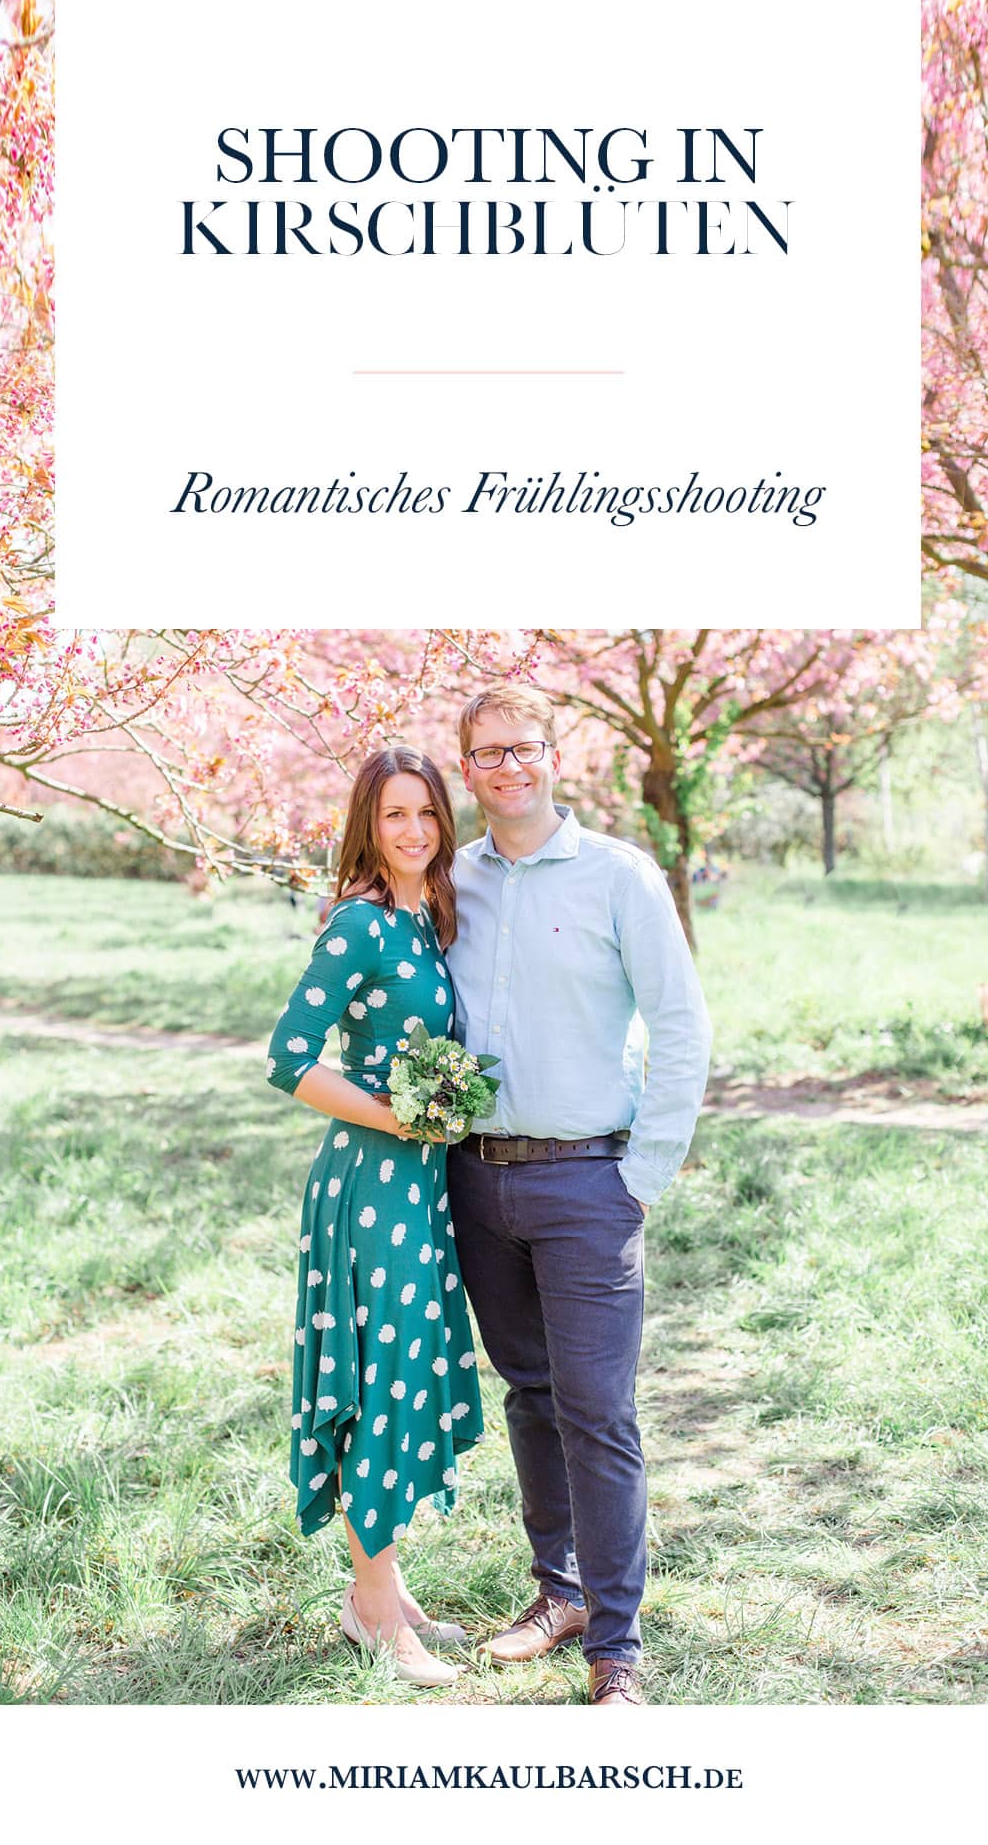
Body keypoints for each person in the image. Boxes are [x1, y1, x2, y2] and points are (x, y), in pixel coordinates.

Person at [447, 684, 711, 1706]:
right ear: (464, 768)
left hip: (589, 1180)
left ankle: (616, 1645)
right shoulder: (450, 879)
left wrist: (641, 1175)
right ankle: (553, 1592)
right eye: (485, 752)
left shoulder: (619, 876)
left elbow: (681, 1023)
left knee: (597, 1410)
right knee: (529, 1394)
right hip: (477, 1178)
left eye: (522, 747)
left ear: (554, 756)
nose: (505, 765)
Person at [267, 747, 484, 1688]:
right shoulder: (359, 923)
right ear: (369, 824)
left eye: (427, 813)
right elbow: (289, 1058)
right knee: (382, 1382)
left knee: (406, 1369)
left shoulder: (425, 919)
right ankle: (370, 1610)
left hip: (420, 1187)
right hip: (368, 1189)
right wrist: (401, 1116)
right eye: (394, 815)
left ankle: (385, 1585)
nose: (414, 831)